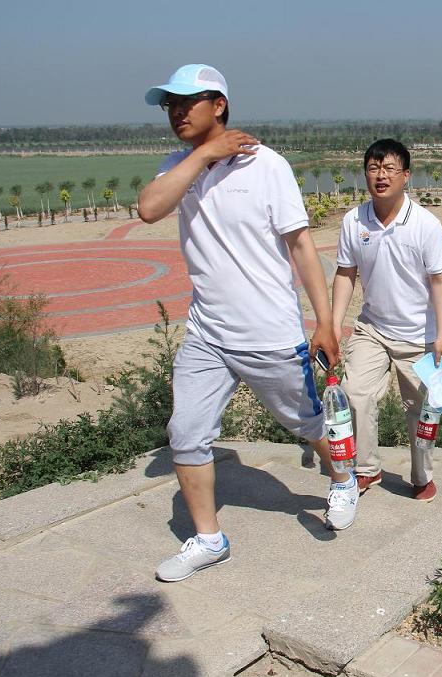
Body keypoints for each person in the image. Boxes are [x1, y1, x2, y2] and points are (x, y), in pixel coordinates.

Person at [138, 64, 356, 582]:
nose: (176, 113)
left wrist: (325, 322)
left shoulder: (266, 166)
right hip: (206, 334)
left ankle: (344, 478)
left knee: (306, 423)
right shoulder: (180, 165)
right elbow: (148, 208)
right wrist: (203, 155)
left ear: (219, 105)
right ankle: (209, 540)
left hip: (268, 333)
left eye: (186, 102)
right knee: (185, 433)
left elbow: (301, 246)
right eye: (170, 105)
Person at [331, 139, 442, 503]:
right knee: (354, 392)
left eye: (389, 169)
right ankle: (367, 468)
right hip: (372, 328)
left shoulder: (426, 224)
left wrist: (441, 336)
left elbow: (440, 280)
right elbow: (345, 273)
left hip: (418, 335)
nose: (380, 176)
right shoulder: (354, 221)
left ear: (406, 176)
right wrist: (334, 325)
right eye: (373, 168)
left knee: (421, 412)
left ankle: (421, 476)